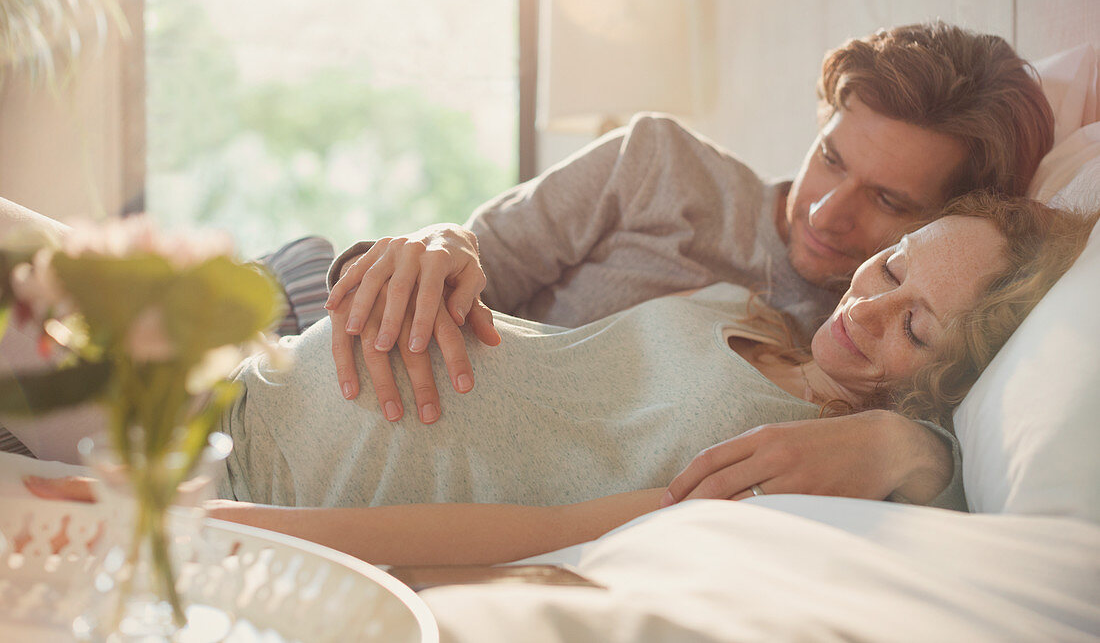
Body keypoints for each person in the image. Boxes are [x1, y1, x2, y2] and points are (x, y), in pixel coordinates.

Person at [27, 194, 1096, 566]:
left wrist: (215, 528)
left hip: (227, 459)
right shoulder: (740, 309)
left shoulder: (817, 467)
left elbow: (541, 534)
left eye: (913, 322)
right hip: (238, 355)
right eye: (892, 266)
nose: (863, 306)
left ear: (953, 378)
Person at [322, 22, 1056, 508]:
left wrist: (917, 450)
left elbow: (977, 456)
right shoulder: (658, 163)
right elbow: (479, 252)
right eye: (831, 157)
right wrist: (442, 239)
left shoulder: (875, 350)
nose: (829, 213)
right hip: (325, 320)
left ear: (952, 220)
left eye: (889, 199)